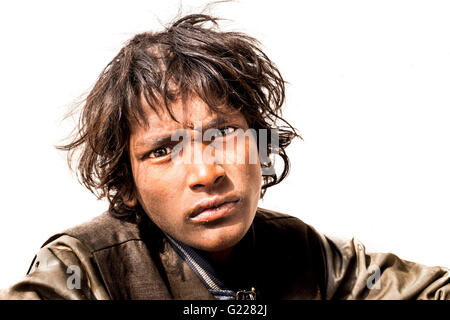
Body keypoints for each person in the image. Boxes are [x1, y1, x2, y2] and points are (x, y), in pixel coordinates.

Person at [1, 13, 449, 300]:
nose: (206, 172)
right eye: (161, 151)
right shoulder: (81, 268)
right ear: (127, 182)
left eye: (222, 135)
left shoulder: (307, 254)